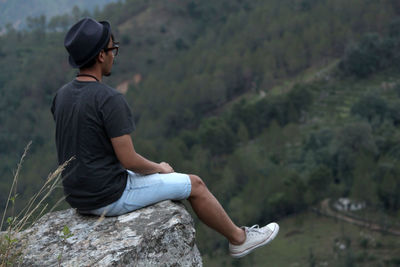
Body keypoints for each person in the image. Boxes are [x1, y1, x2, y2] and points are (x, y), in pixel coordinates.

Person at [51, 17, 279, 258]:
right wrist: (159, 168)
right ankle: (239, 239)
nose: (114, 55)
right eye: (112, 49)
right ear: (100, 56)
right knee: (195, 185)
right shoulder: (108, 99)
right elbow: (128, 160)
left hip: (77, 196)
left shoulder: (61, 96)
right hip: (108, 196)